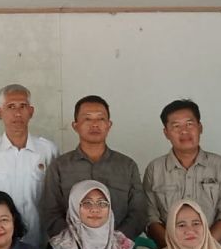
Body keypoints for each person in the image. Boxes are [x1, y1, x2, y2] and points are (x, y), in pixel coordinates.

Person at [40, 95, 147, 240]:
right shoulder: (60, 166)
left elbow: (138, 212)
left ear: (109, 125)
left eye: (101, 118)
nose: (95, 124)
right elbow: (50, 212)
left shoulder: (127, 166)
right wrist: (75, 244)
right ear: (75, 125)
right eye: (87, 119)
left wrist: (116, 242)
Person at [142, 99, 221, 248]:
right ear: (166, 133)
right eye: (176, 126)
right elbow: (150, 218)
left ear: (200, 127)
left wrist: (203, 248)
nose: (184, 131)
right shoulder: (155, 169)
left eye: (189, 124)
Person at [0, 84, 59, 246]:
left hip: (40, 242)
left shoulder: (48, 151)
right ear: (0, 113)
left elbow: (56, 198)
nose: (17, 113)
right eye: (10, 106)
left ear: (31, 111)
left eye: (23, 106)